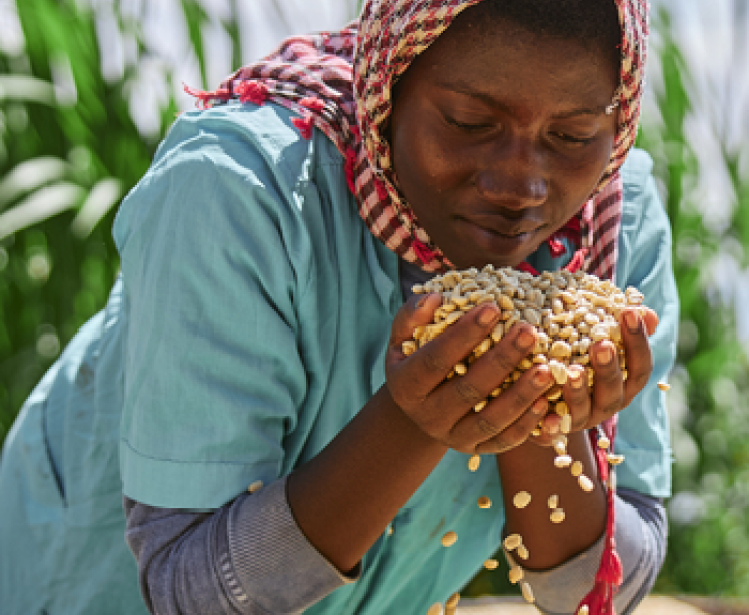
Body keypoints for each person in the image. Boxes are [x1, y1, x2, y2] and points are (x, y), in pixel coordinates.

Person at [0, 0, 677, 613]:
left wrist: (539, 410)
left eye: (571, 136)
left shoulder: (612, 222)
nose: (520, 185)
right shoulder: (237, 193)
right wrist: (412, 420)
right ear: (384, 89)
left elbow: (596, 592)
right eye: (470, 123)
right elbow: (193, 590)